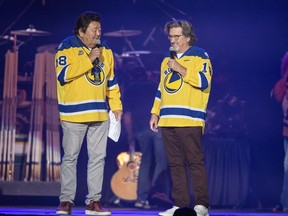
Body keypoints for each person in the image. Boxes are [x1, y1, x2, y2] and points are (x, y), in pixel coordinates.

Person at [55, 11, 123, 216]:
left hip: (100, 115)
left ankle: (93, 202)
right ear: (81, 31)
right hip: (73, 115)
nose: (98, 33)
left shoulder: (106, 50)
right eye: (94, 30)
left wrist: (116, 105)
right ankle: (66, 201)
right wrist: (88, 59)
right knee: (70, 158)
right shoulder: (67, 46)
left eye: (99, 29)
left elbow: (111, 81)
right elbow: (63, 75)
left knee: (98, 159)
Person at [149, 20, 212, 216]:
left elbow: (204, 82)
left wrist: (181, 69)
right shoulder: (165, 61)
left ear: (188, 37)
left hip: (189, 119)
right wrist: (155, 112)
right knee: (174, 163)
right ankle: (180, 204)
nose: (173, 40)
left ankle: (201, 205)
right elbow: (162, 88)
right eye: (170, 36)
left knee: (194, 162)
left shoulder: (200, 56)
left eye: (177, 36)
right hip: (167, 119)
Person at [122, 67, 171, 209]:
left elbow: (127, 116)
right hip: (157, 126)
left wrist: (130, 135)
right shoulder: (154, 86)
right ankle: (158, 195)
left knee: (145, 162)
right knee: (161, 161)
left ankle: (141, 199)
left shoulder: (129, 90)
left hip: (141, 130)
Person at [271, 52, 288, 212]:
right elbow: (276, 95)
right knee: (287, 166)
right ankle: (285, 203)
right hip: (286, 131)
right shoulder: (284, 83)